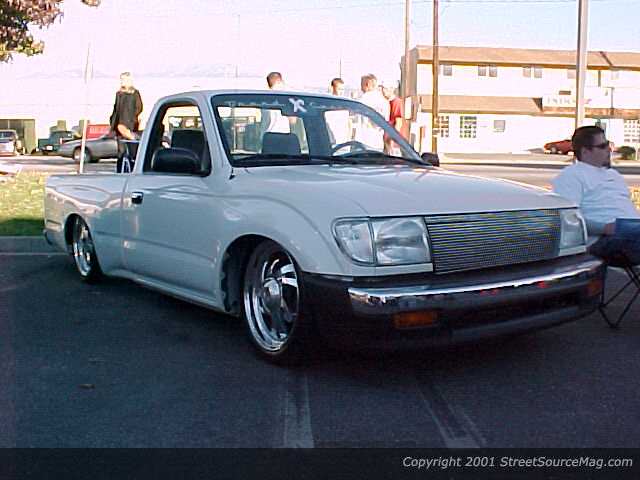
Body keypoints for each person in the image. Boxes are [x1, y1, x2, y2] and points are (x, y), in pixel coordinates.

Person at [552, 125, 640, 264]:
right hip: (603, 238)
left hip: (631, 229)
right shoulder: (571, 175)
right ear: (585, 151)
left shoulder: (613, 175)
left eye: (608, 144)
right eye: (603, 146)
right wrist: (604, 228)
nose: (609, 150)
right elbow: (567, 219)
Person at [110, 72, 143, 172]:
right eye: (121, 79)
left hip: (130, 125)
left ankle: (132, 168)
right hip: (120, 126)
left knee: (131, 150)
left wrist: (133, 118)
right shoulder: (119, 94)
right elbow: (116, 110)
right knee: (121, 152)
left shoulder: (135, 93)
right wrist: (112, 124)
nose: (121, 81)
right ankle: (120, 171)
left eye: (123, 79)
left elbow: (139, 107)